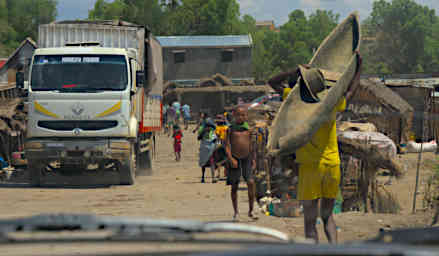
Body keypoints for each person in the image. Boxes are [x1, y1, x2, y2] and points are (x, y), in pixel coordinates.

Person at [291, 56, 362, 243]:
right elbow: (350, 91)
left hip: (310, 167)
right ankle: (334, 251)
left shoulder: (297, 105)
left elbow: (272, 83)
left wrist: (295, 71)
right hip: (331, 165)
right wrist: (358, 69)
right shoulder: (330, 105)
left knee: (309, 222)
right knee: (328, 217)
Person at [225, 106, 257, 221]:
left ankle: (251, 211)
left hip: (247, 158)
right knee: (234, 186)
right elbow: (227, 146)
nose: (240, 117)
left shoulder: (248, 130)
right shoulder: (230, 129)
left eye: (243, 115)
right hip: (234, 158)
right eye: (238, 115)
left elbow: (252, 146)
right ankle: (236, 212)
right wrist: (230, 159)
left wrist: (254, 159)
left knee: (251, 182)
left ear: (246, 116)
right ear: (234, 116)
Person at [197, 118, 218, 183]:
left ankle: (213, 178)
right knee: (203, 164)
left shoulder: (212, 133)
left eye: (209, 126)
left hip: (210, 150)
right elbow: (198, 138)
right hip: (204, 149)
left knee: (212, 163)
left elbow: (215, 140)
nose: (208, 128)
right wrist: (203, 133)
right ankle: (203, 177)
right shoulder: (202, 132)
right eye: (207, 126)